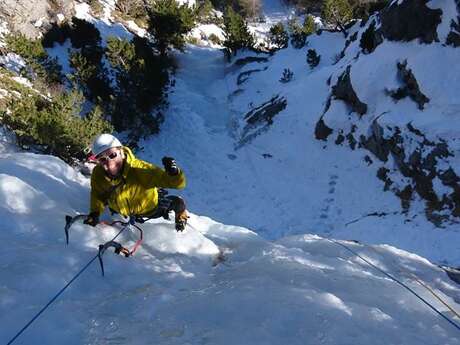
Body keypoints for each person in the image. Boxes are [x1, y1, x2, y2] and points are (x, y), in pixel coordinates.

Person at [84, 133, 189, 231]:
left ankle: (180, 211)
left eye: (112, 155)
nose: (109, 162)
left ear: (121, 152)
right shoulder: (98, 173)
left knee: (174, 203)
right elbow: (97, 194)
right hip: (120, 210)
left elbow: (177, 184)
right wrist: (95, 212)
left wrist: (174, 173)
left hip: (149, 210)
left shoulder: (140, 169)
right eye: (102, 159)